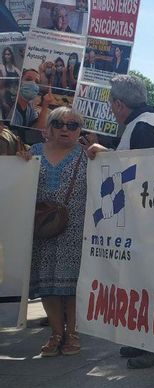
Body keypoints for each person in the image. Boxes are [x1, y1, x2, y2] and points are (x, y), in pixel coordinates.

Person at [86, 75, 154, 368]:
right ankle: (148, 340)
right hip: (151, 221)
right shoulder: (147, 123)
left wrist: (106, 155)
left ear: (118, 103)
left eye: (111, 103)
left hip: (152, 223)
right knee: (146, 281)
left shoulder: (143, 126)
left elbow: (141, 174)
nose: (111, 109)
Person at [21, 107, 87, 357]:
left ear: (80, 131)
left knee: (71, 287)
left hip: (75, 232)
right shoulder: (32, 154)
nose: (65, 129)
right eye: (59, 123)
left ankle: (72, 333)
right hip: (42, 231)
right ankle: (56, 333)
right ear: (48, 128)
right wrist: (20, 163)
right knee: (47, 285)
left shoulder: (88, 156)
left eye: (73, 125)